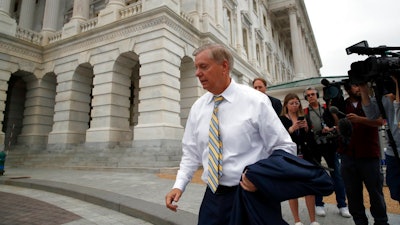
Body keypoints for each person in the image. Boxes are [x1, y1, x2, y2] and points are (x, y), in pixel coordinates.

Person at [165, 43, 297, 224]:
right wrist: (179, 186)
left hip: (252, 196)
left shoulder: (256, 101)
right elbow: (191, 152)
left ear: (224, 67)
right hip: (213, 198)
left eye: (203, 66)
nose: (197, 73)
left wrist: (259, 178)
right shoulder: (197, 108)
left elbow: (285, 147)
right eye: (196, 67)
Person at [338, 82, 389, 225]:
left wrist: (360, 119)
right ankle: (360, 222)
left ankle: (381, 221)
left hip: (369, 154)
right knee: (353, 194)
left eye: (360, 85)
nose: (359, 88)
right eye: (355, 86)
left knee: (375, 192)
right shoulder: (341, 104)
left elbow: (380, 121)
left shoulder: (371, 103)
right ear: (348, 89)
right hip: (348, 154)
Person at [303, 87, 351, 218]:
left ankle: (342, 205)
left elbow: (338, 124)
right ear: (306, 98)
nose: (311, 97)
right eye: (308, 95)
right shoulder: (305, 112)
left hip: (329, 144)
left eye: (313, 94)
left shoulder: (327, 108)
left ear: (317, 95)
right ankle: (319, 204)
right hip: (314, 147)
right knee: (317, 175)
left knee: (337, 175)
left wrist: (331, 128)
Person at [279, 93, 320, 225]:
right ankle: (297, 220)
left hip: (305, 156)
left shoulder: (304, 117)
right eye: (292, 103)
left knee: (309, 187)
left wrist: (307, 129)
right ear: (286, 105)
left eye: (297, 103)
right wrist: (291, 129)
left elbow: (310, 139)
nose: (295, 105)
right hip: (290, 157)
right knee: (293, 189)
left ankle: (313, 220)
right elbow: (280, 138)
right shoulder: (282, 119)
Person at [359, 76, 400, 205]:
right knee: (398, 194)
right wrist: (364, 90)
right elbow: (371, 115)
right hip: (393, 152)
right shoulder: (385, 96)